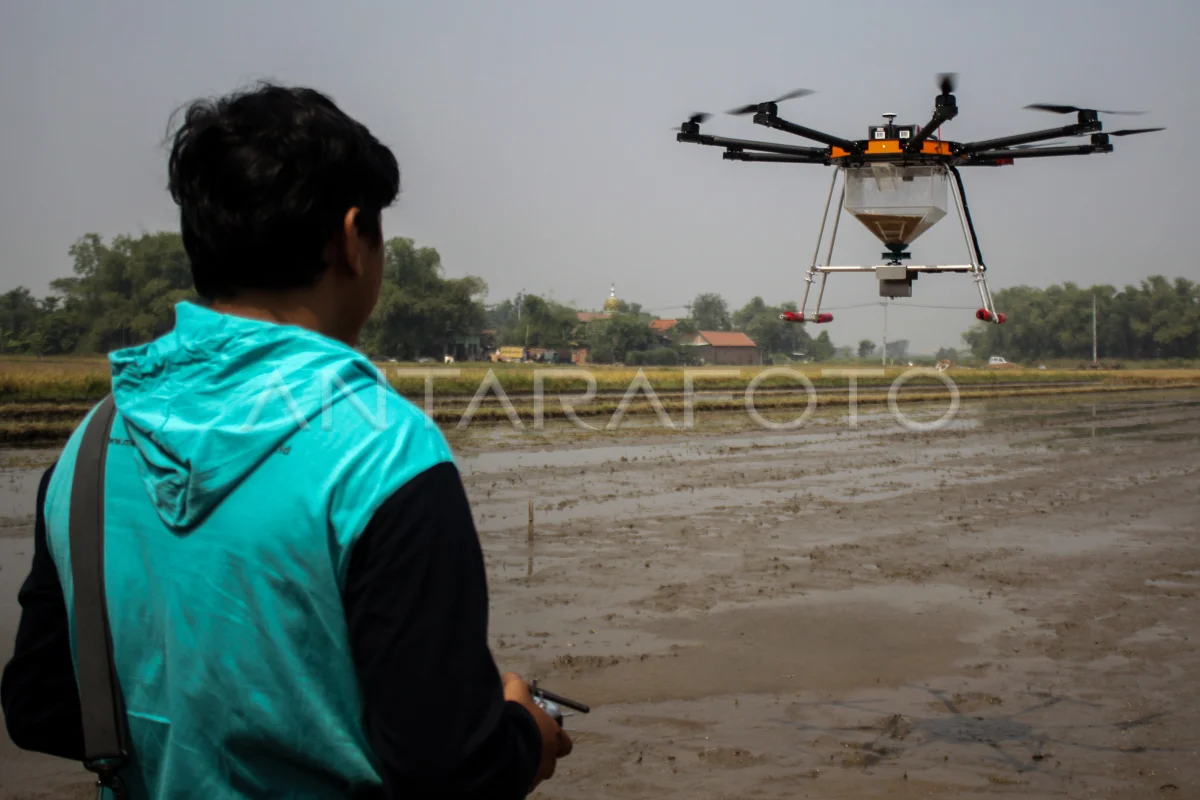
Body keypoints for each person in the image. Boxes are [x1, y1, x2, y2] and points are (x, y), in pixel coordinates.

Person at [1, 83, 571, 797]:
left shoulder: (92, 444)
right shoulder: (384, 452)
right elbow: (449, 772)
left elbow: (42, 708)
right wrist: (525, 732)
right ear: (351, 238)